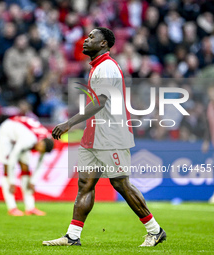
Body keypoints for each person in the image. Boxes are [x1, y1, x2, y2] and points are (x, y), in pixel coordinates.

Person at [42, 27, 166, 247]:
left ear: (104, 44)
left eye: (91, 37)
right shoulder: (98, 66)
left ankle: (155, 231)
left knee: (120, 183)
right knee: (85, 183)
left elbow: (101, 100)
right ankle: (73, 236)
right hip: (95, 133)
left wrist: (69, 123)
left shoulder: (107, 66)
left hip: (112, 134)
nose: (86, 40)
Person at [0, 115, 54, 216]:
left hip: (20, 133)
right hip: (7, 133)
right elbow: (13, 158)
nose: (38, 151)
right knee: (7, 168)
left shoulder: (46, 140)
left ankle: (30, 207)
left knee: (26, 169)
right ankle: (12, 207)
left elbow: (41, 162)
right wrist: (12, 181)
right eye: (40, 149)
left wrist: (33, 181)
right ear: (40, 143)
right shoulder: (28, 140)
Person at [202, 84, 214, 204]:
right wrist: (206, 141)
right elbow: (208, 125)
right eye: (211, 93)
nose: (212, 95)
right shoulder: (210, 106)